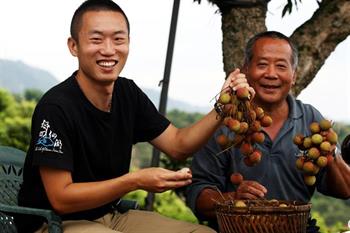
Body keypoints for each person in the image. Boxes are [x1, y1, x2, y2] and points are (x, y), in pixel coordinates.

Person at [16, 0, 253, 232]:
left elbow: (178, 145)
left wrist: (223, 107)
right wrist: (135, 180)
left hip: (109, 216)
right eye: (96, 39)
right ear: (74, 46)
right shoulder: (55, 107)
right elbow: (61, 199)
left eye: (118, 39)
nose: (108, 50)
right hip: (53, 222)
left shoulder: (127, 93)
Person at [185, 31, 350, 232]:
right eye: (262, 64)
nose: (271, 74)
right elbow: (197, 193)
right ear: (246, 69)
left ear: (294, 75)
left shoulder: (311, 120)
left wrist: (331, 153)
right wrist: (232, 198)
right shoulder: (225, 122)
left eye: (281, 66)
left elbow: (345, 189)